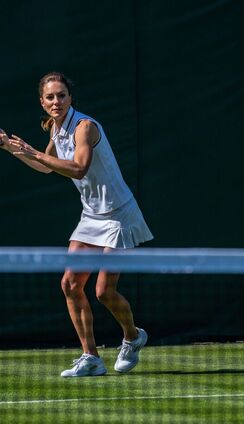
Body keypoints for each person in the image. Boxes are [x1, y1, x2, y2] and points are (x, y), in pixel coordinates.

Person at [0, 72, 153, 377]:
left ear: (70, 98)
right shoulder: (56, 129)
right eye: (50, 97)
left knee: (103, 292)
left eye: (61, 95)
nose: (56, 101)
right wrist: (8, 146)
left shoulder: (85, 127)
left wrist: (34, 153)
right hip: (91, 216)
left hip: (119, 214)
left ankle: (133, 336)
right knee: (70, 283)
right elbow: (44, 167)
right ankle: (91, 358)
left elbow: (79, 169)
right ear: (42, 102)